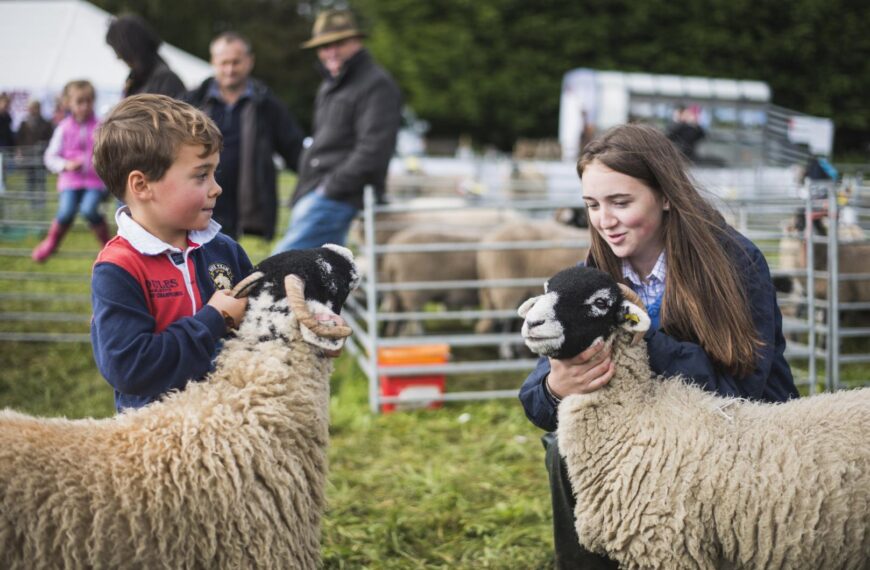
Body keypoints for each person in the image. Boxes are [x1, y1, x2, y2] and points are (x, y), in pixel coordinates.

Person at [519, 123, 799, 569]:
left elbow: (740, 388)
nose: (604, 220)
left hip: (741, 434)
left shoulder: (733, 263)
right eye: (592, 204)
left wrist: (637, 334)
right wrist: (557, 384)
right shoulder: (593, 278)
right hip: (644, 442)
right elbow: (534, 403)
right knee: (561, 443)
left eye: (621, 202)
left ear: (666, 195)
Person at [90, 94, 253, 412]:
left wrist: (307, 325)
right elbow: (129, 368)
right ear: (141, 186)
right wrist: (212, 320)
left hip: (229, 424)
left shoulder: (222, 248)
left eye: (214, 173)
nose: (216, 187)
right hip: (158, 441)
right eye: (201, 175)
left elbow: (264, 314)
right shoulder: (119, 268)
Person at [272, 9, 402, 254]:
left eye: (338, 43)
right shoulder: (331, 85)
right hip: (319, 191)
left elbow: (373, 149)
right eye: (323, 46)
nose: (330, 52)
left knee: (281, 263)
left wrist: (330, 188)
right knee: (321, 276)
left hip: (338, 196)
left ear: (357, 41)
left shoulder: (376, 85)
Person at [183, 32, 304, 241]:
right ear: (213, 62)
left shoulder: (266, 104)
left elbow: (294, 148)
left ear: (249, 62)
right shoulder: (193, 101)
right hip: (202, 202)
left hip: (248, 212)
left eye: (236, 62)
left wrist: (317, 177)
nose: (230, 69)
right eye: (224, 63)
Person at [32, 80, 109, 262]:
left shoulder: (100, 126)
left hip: (94, 181)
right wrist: (65, 165)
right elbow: (50, 156)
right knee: (66, 211)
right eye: (79, 102)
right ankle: (51, 243)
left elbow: (110, 150)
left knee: (89, 210)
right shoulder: (63, 128)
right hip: (70, 181)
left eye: (89, 101)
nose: (85, 106)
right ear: (69, 103)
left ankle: (107, 247)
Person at [105, 14, 185, 98]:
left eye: (119, 52)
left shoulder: (167, 81)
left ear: (131, 49)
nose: (118, 58)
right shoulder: (134, 82)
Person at [15, 99, 55, 206]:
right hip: (28, 156)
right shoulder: (24, 123)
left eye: (34, 108)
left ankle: (41, 203)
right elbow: (19, 139)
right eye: (30, 108)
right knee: (30, 180)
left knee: (41, 180)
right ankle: (31, 203)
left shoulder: (46, 123)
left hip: (41, 156)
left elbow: (50, 139)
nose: (32, 110)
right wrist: (19, 151)